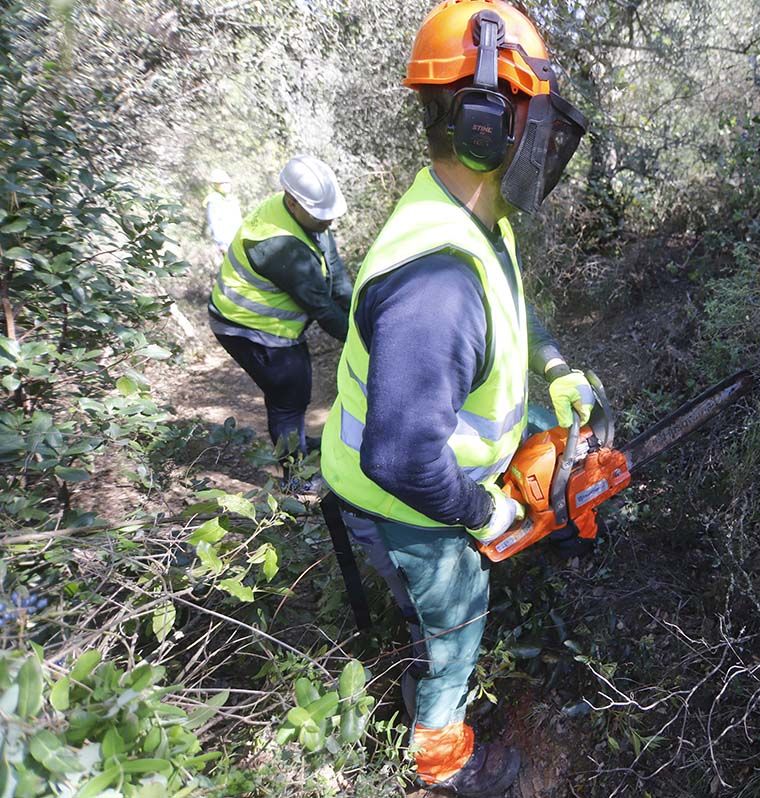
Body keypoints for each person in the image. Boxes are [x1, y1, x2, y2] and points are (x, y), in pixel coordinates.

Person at [320, 2, 595, 794]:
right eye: (532, 117)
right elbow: (403, 457)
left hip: (417, 459)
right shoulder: (436, 284)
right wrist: (487, 514)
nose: (544, 143)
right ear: (486, 121)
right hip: (399, 499)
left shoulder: (472, 209)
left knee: (548, 437)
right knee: (457, 616)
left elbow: (507, 299)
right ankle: (440, 760)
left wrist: (555, 366)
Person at [209, 155, 352, 480]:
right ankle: (294, 475)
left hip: (268, 324)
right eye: (321, 217)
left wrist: (364, 310)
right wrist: (367, 339)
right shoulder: (278, 244)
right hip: (246, 327)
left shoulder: (305, 215)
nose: (328, 223)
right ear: (292, 202)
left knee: (295, 389)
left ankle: (297, 443)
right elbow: (324, 309)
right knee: (289, 395)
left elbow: (336, 276)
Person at [203, 168, 242, 251]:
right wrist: (221, 244)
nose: (226, 185)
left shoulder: (233, 200)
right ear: (216, 185)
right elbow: (214, 223)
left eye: (227, 183)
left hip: (238, 240)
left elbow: (239, 220)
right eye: (222, 183)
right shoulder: (213, 201)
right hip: (226, 243)